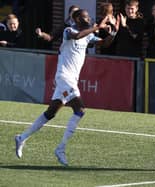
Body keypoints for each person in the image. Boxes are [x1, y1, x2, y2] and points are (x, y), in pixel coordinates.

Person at [15, 9, 115, 166]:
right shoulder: (69, 30)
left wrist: (114, 32)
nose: (88, 18)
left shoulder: (88, 34)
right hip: (64, 77)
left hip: (71, 80)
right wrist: (97, 27)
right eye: (84, 16)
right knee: (80, 110)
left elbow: (104, 43)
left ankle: (21, 137)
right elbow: (77, 36)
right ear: (76, 19)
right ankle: (60, 149)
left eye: (88, 16)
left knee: (51, 113)